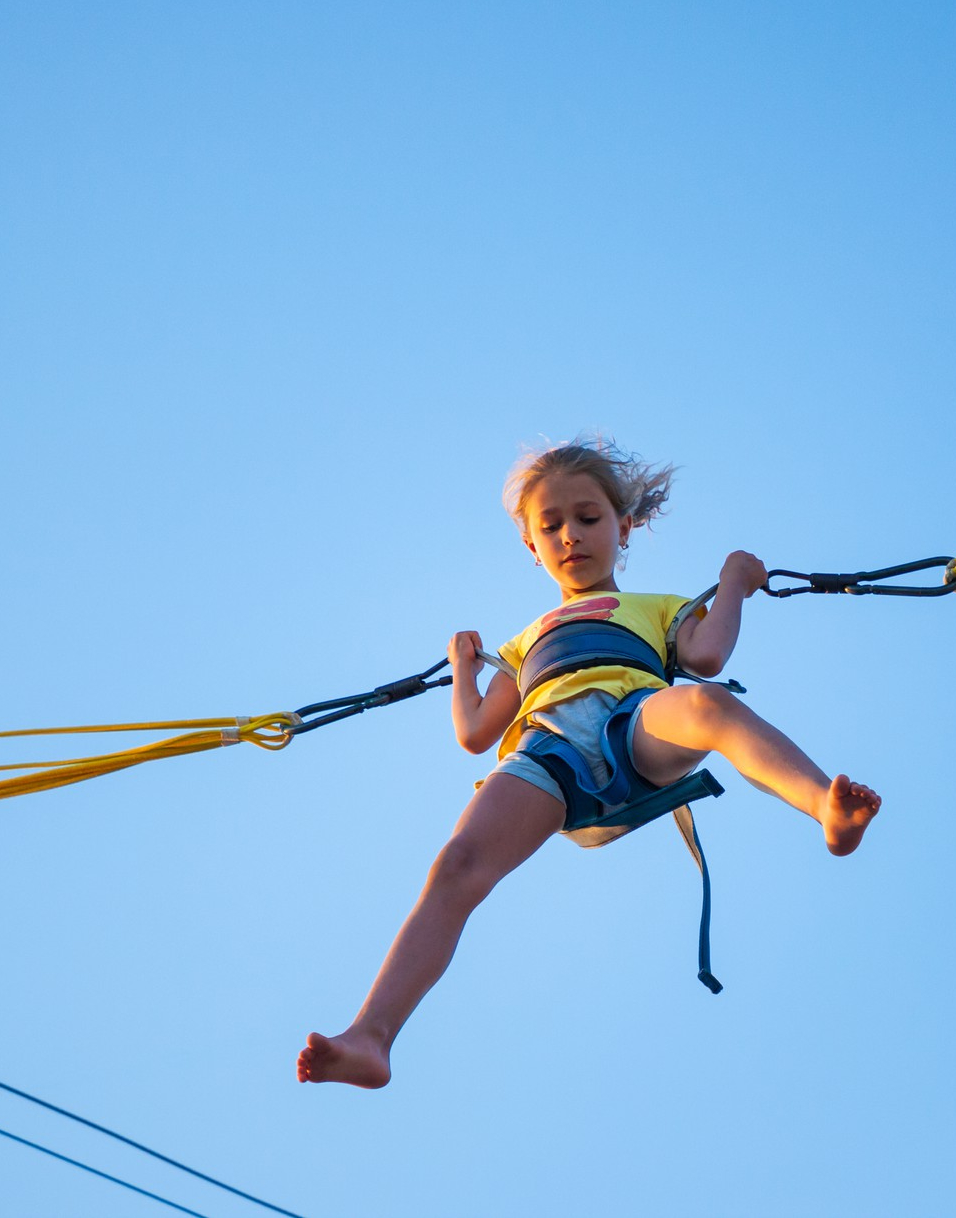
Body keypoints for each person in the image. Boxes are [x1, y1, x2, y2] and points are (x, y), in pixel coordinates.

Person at [296, 437, 881, 1089]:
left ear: (622, 527)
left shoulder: (658, 607)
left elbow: (708, 655)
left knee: (709, 703)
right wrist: (464, 669)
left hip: (635, 722)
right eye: (551, 526)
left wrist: (734, 584)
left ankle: (824, 805)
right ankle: (371, 1036)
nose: (570, 535)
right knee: (456, 864)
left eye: (587, 517)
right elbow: (476, 731)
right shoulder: (523, 643)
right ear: (532, 546)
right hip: (546, 749)